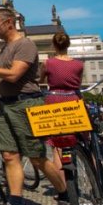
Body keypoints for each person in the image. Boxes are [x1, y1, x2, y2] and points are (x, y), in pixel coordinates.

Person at [0, 7, 71, 205]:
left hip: (25, 105)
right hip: (6, 106)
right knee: (9, 156)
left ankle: (65, 197)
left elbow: (14, 75)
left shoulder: (25, 44)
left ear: (9, 22)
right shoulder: (5, 48)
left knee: (36, 157)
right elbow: (3, 76)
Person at [37, 32, 83, 175]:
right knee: (81, 140)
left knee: (57, 146)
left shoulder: (47, 63)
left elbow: (40, 80)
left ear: (53, 45)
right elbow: (78, 83)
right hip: (73, 100)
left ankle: (63, 188)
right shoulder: (79, 64)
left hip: (55, 101)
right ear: (68, 45)